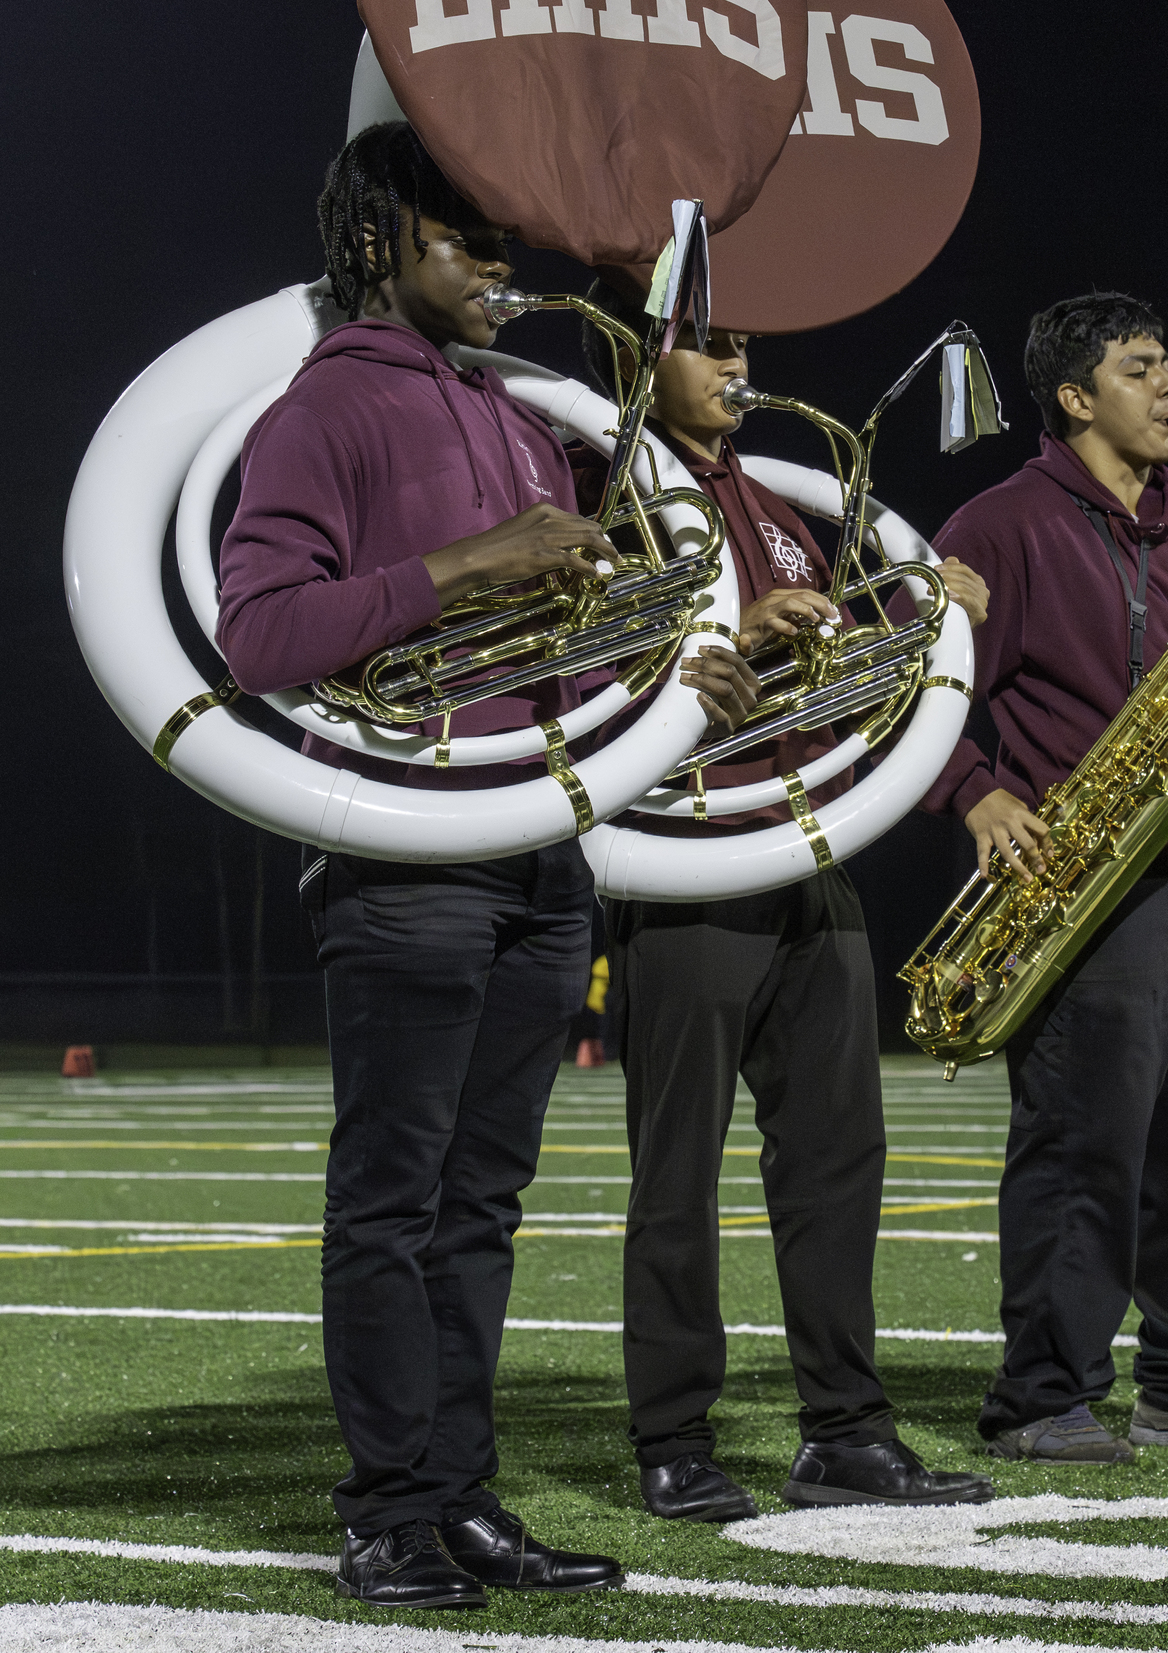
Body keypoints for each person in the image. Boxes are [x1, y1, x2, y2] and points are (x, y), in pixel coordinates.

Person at [215, 124, 756, 1611]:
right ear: (385, 240)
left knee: (482, 1201)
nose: (505, 264)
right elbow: (259, 632)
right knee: (394, 1196)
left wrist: (675, 651)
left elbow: (572, 609)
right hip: (405, 848)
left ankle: (460, 1495)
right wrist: (472, 566)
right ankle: (389, 1508)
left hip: (539, 842)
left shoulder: (517, 415)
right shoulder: (320, 412)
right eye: (472, 237)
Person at [573, 282, 995, 1520]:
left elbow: (840, 691)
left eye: (746, 337)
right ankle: (673, 1438)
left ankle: (847, 1429)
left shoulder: (779, 502)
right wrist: (740, 640)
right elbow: (587, 679)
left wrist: (918, 620)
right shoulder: (611, 498)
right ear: (642, 366)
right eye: (707, 341)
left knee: (837, 1159)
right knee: (679, 1169)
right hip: (689, 860)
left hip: (809, 857)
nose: (738, 355)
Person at [921, 291, 1168, 1464]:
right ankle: (1042, 1393)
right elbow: (919, 692)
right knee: (1083, 1143)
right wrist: (975, 790)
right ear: (1075, 396)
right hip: (1085, 885)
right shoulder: (1000, 525)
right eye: (1142, 369)